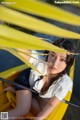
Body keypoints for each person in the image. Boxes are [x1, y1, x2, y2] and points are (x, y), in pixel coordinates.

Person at [4, 38, 75, 120]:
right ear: (48, 54)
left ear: (68, 62)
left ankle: (18, 93)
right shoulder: (39, 60)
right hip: (26, 81)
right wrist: (8, 37)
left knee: (41, 112)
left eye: (62, 59)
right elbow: (21, 50)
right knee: (22, 111)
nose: (55, 63)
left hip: (37, 92)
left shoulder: (65, 83)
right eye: (52, 55)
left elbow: (51, 105)